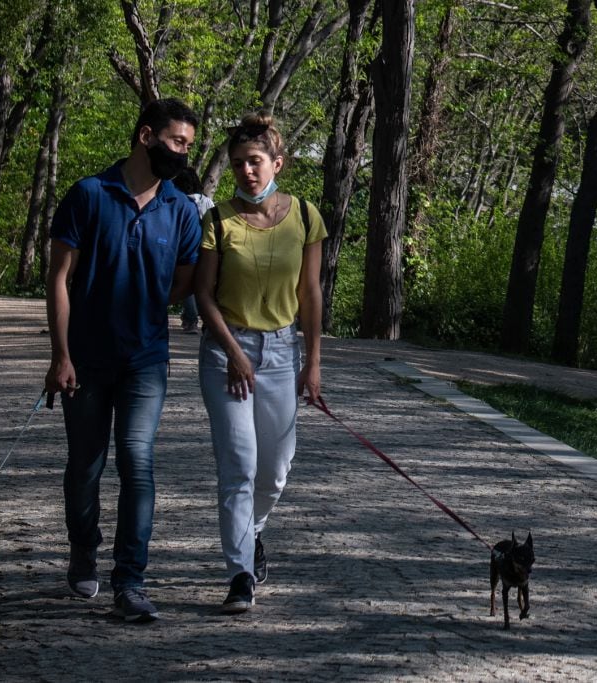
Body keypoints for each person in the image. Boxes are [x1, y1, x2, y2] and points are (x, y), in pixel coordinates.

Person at [44, 97, 201, 623]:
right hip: (85, 361)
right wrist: (61, 355)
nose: (182, 154)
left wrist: (150, 301)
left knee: (138, 462)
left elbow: (183, 282)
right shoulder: (89, 194)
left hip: (145, 362)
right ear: (145, 136)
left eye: (188, 146)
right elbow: (58, 278)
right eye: (177, 142)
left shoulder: (179, 208)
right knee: (86, 467)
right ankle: (83, 547)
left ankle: (130, 579)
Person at [193, 113, 326, 614]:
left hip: (282, 352)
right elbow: (203, 296)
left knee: (275, 471)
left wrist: (312, 363)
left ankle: (254, 532)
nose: (246, 172)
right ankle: (240, 574)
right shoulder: (217, 219)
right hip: (226, 352)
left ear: (277, 163)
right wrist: (231, 351)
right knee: (240, 468)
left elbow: (310, 294)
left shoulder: (306, 216)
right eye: (237, 164)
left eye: (254, 162)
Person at [173, 168, 215, 334]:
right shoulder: (206, 200)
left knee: (187, 282)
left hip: (185, 245)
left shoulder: (179, 201)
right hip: (207, 246)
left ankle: (191, 320)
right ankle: (208, 320)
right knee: (207, 283)